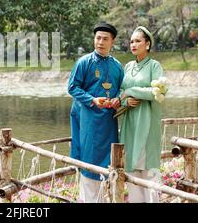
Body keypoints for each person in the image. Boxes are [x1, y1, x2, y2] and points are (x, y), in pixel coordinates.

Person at [68, 22, 124, 202]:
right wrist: (92, 99)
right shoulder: (84, 62)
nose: (100, 42)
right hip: (88, 119)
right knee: (88, 160)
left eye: (105, 39)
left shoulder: (117, 66)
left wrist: (117, 100)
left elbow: (121, 90)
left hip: (109, 121)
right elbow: (72, 87)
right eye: (98, 38)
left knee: (109, 163)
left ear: (112, 42)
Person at [119, 26, 164, 203]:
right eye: (131, 41)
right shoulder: (128, 66)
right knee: (131, 166)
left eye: (138, 41)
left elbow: (156, 91)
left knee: (148, 168)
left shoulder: (154, 66)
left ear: (147, 44)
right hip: (130, 123)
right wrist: (125, 101)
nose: (133, 44)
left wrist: (131, 90)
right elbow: (120, 93)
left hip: (148, 122)